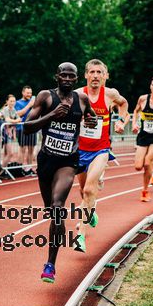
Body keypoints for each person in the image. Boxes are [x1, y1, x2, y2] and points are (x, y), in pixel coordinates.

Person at [23, 62, 96, 283]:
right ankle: (54, 248)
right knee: (50, 210)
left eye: (71, 76)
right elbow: (27, 126)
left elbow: (92, 118)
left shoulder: (82, 100)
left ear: (76, 80)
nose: (67, 79)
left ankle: (50, 265)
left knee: (57, 208)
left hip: (68, 162)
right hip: (46, 161)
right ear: (57, 77)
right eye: (63, 75)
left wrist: (91, 120)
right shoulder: (45, 96)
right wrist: (51, 116)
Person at [74, 59, 129, 250]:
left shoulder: (110, 94)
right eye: (92, 72)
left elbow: (124, 104)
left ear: (105, 76)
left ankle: (80, 235)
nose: (96, 76)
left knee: (89, 189)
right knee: (84, 192)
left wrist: (121, 121)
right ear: (86, 75)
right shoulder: (78, 94)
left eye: (99, 72)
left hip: (101, 150)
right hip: (80, 150)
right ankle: (92, 210)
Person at [15, 86, 37, 175]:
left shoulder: (33, 102)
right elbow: (18, 114)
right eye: (27, 93)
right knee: (23, 149)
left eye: (30, 93)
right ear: (23, 93)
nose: (29, 95)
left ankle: (29, 168)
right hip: (22, 128)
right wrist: (29, 105)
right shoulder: (17, 103)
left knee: (31, 149)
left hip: (32, 127)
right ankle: (20, 168)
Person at [0, 94, 22, 173]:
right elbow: (7, 119)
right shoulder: (5, 109)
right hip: (3, 133)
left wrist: (16, 120)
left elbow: (18, 118)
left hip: (9, 133)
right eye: (11, 101)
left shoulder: (13, 109)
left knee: (6, 154)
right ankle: (0, 171)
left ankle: (2, 171)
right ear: (7, 101)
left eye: (14, 101)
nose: (13, 103)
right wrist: (16, 121)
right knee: (10, 154)